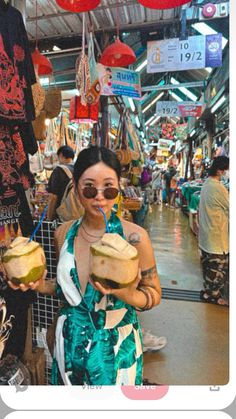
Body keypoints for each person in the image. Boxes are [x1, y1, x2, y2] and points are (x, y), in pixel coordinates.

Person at [8, 146, 162, 385]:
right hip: (69, 342)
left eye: (108, 188)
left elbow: (153, 293)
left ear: (118, 189)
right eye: (89, 188)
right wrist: (38, 285)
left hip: (116, 348)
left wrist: (125, 293)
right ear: (76, 189)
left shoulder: (134, 237)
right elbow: (65, 291)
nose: (99, 196)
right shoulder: (63, 233)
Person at [198, 156, 229, 306]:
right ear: (219, 170)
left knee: (209, 268)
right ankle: (211, 296)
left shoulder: (207, 184)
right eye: (226, 170)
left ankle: (207, 291)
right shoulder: (218, 187)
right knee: (217, 271)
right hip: (217, 237)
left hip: (207, 235)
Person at [47, 145, 75, 221]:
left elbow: (53, 197)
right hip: (79, 214)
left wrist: (49, 217)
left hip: (63, 216)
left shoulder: (58, 171)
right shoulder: (80, 169)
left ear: (61, 155)